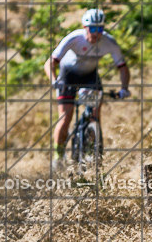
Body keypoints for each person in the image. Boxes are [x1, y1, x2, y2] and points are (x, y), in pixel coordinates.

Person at [45, 9, 130, 166]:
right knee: (65, 118)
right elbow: (50, 62)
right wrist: (54, 80)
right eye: (93, 28)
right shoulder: (74, 38)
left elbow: (123, 67)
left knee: (95, 115)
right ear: (85, 27)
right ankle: (59, 156)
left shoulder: (109, 42)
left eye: (100, 29)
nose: (96, 33)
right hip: (67, 76)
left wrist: (124, 88)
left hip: (90, 77)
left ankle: (92, 146)